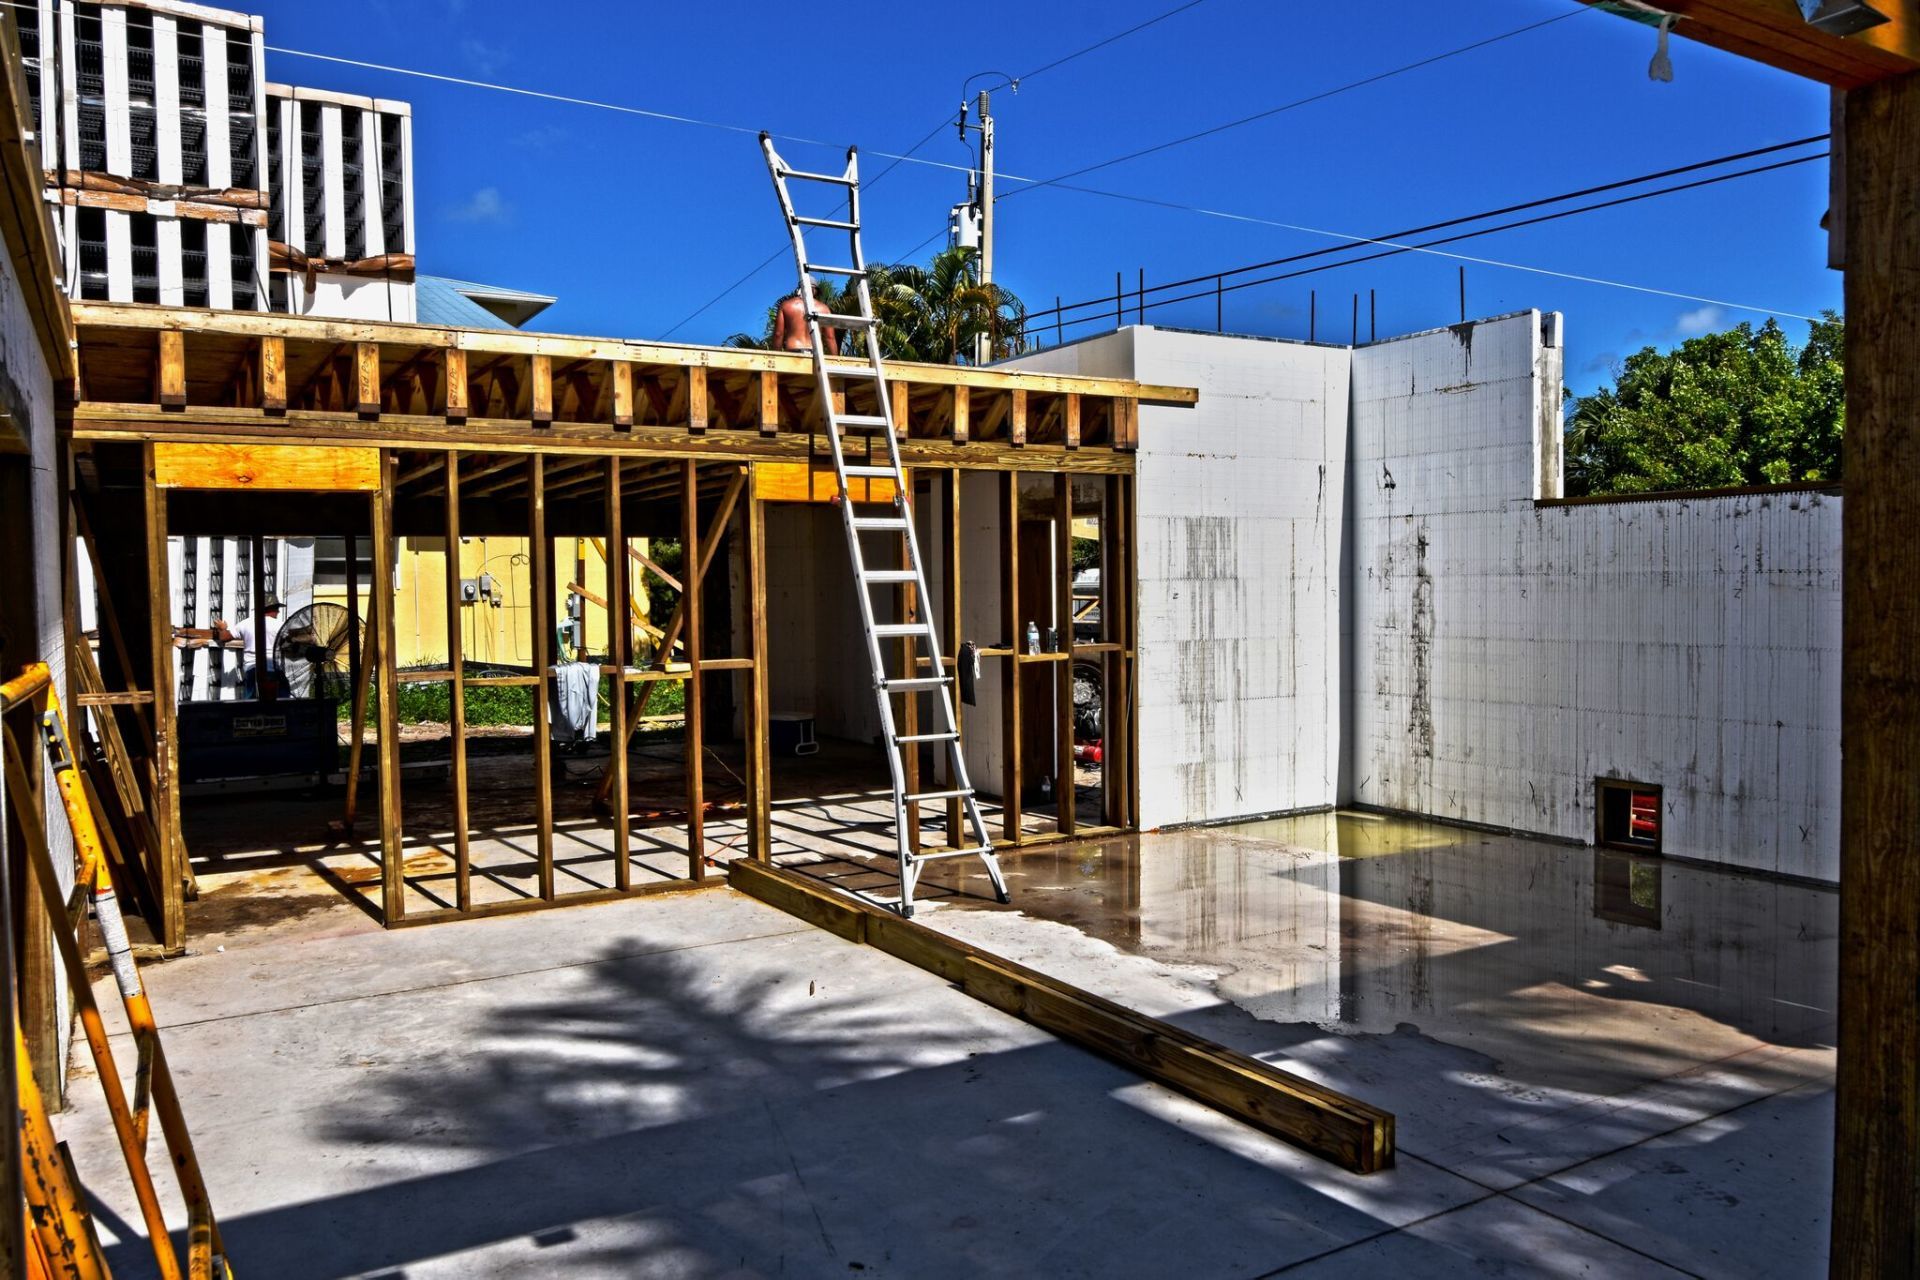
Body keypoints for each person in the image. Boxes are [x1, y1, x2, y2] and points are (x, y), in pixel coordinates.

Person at [213, 599, 288, 699]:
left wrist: (222, 628)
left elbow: (224, 637)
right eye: (277, 609)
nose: (278, 612)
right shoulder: (280, 625)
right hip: (272, 668)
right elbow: (292, 639)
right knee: (282, 698)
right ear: (272, 609)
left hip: (251, 669)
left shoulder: (245, 623)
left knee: (250, 701)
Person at [772, 287, 839, 355]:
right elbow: (830, 337)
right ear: (815, 291)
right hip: (815, 354)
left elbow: (778, 334)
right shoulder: (824, 309)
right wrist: (836, 360)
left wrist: (775, 356)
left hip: (793, 351)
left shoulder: (786, 305)